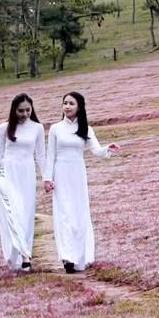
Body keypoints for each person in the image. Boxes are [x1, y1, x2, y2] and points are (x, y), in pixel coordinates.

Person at [43, 92, 120, 274]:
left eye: (71, 103)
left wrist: (107, 149)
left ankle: (79, 257)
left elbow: (96, 151)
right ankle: (67, 257)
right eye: (65, 103)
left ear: (79, 107)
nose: (67, 106)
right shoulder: (55, 129)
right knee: (64, 215)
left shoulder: (86, 128)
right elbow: (50, 156)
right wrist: (47, 178)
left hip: (78, 174)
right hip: (61, 174)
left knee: (78, 214)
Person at [0, 93, 46, 272]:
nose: (24, 114)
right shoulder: (4, 128)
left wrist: (47, 178)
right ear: (13, 110)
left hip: (26, 174)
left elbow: (41, 155)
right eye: (20, 111)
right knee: (11, 212)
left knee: (25, 214)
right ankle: (14, 253)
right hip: (6, 173)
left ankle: (25, 255)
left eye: (27, 110)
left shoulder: (37, 128)